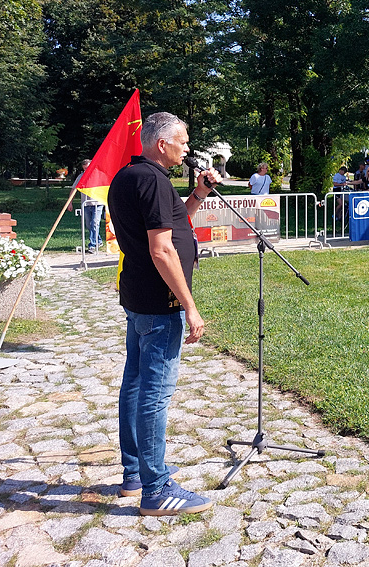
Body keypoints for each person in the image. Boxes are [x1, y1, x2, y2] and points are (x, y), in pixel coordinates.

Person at [107, 112, 220, 517]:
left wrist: (199, 194)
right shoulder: (152, 180)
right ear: (161, 144)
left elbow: (174, 223)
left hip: (138, 298)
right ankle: (156, 490)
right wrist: (189, 305)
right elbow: (162, 248)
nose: (187, 148)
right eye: (183, 141)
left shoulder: (130, 176)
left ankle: (135, 473)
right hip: (159, 303)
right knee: (154, 393)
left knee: (134, 386)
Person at [73, 159, 104, 254]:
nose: (87, 170)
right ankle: (98, 241)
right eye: (85, 168)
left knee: (95, 223)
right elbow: (74, 188)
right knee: (88, 225)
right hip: (86, 204)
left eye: (88, 168)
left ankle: (92, 245)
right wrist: (70, 202)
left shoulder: (98, 175)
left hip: (97, 204)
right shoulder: (81, 177)